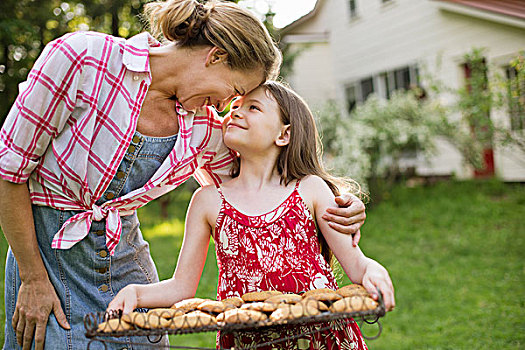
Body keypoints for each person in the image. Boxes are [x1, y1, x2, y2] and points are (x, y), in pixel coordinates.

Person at [0, 1, 367, 349]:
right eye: (235, 91)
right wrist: (33, 278)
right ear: (216, 56)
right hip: (46, 261)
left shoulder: (207, 130)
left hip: (127, 268)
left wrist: (339, 205)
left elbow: (264, 192)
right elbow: (9, 172)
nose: (227, 107)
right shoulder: (82, 60)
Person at [108, 81, 395, 349]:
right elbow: (181, 288)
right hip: (249, 341)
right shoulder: (208, 201)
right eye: (234, 108)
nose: (235, 113)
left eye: (253, 107)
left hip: (321, 337)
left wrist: (375, 273)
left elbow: (358, 265)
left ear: (284, 134)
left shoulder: (310, 190)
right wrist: (137, 292)